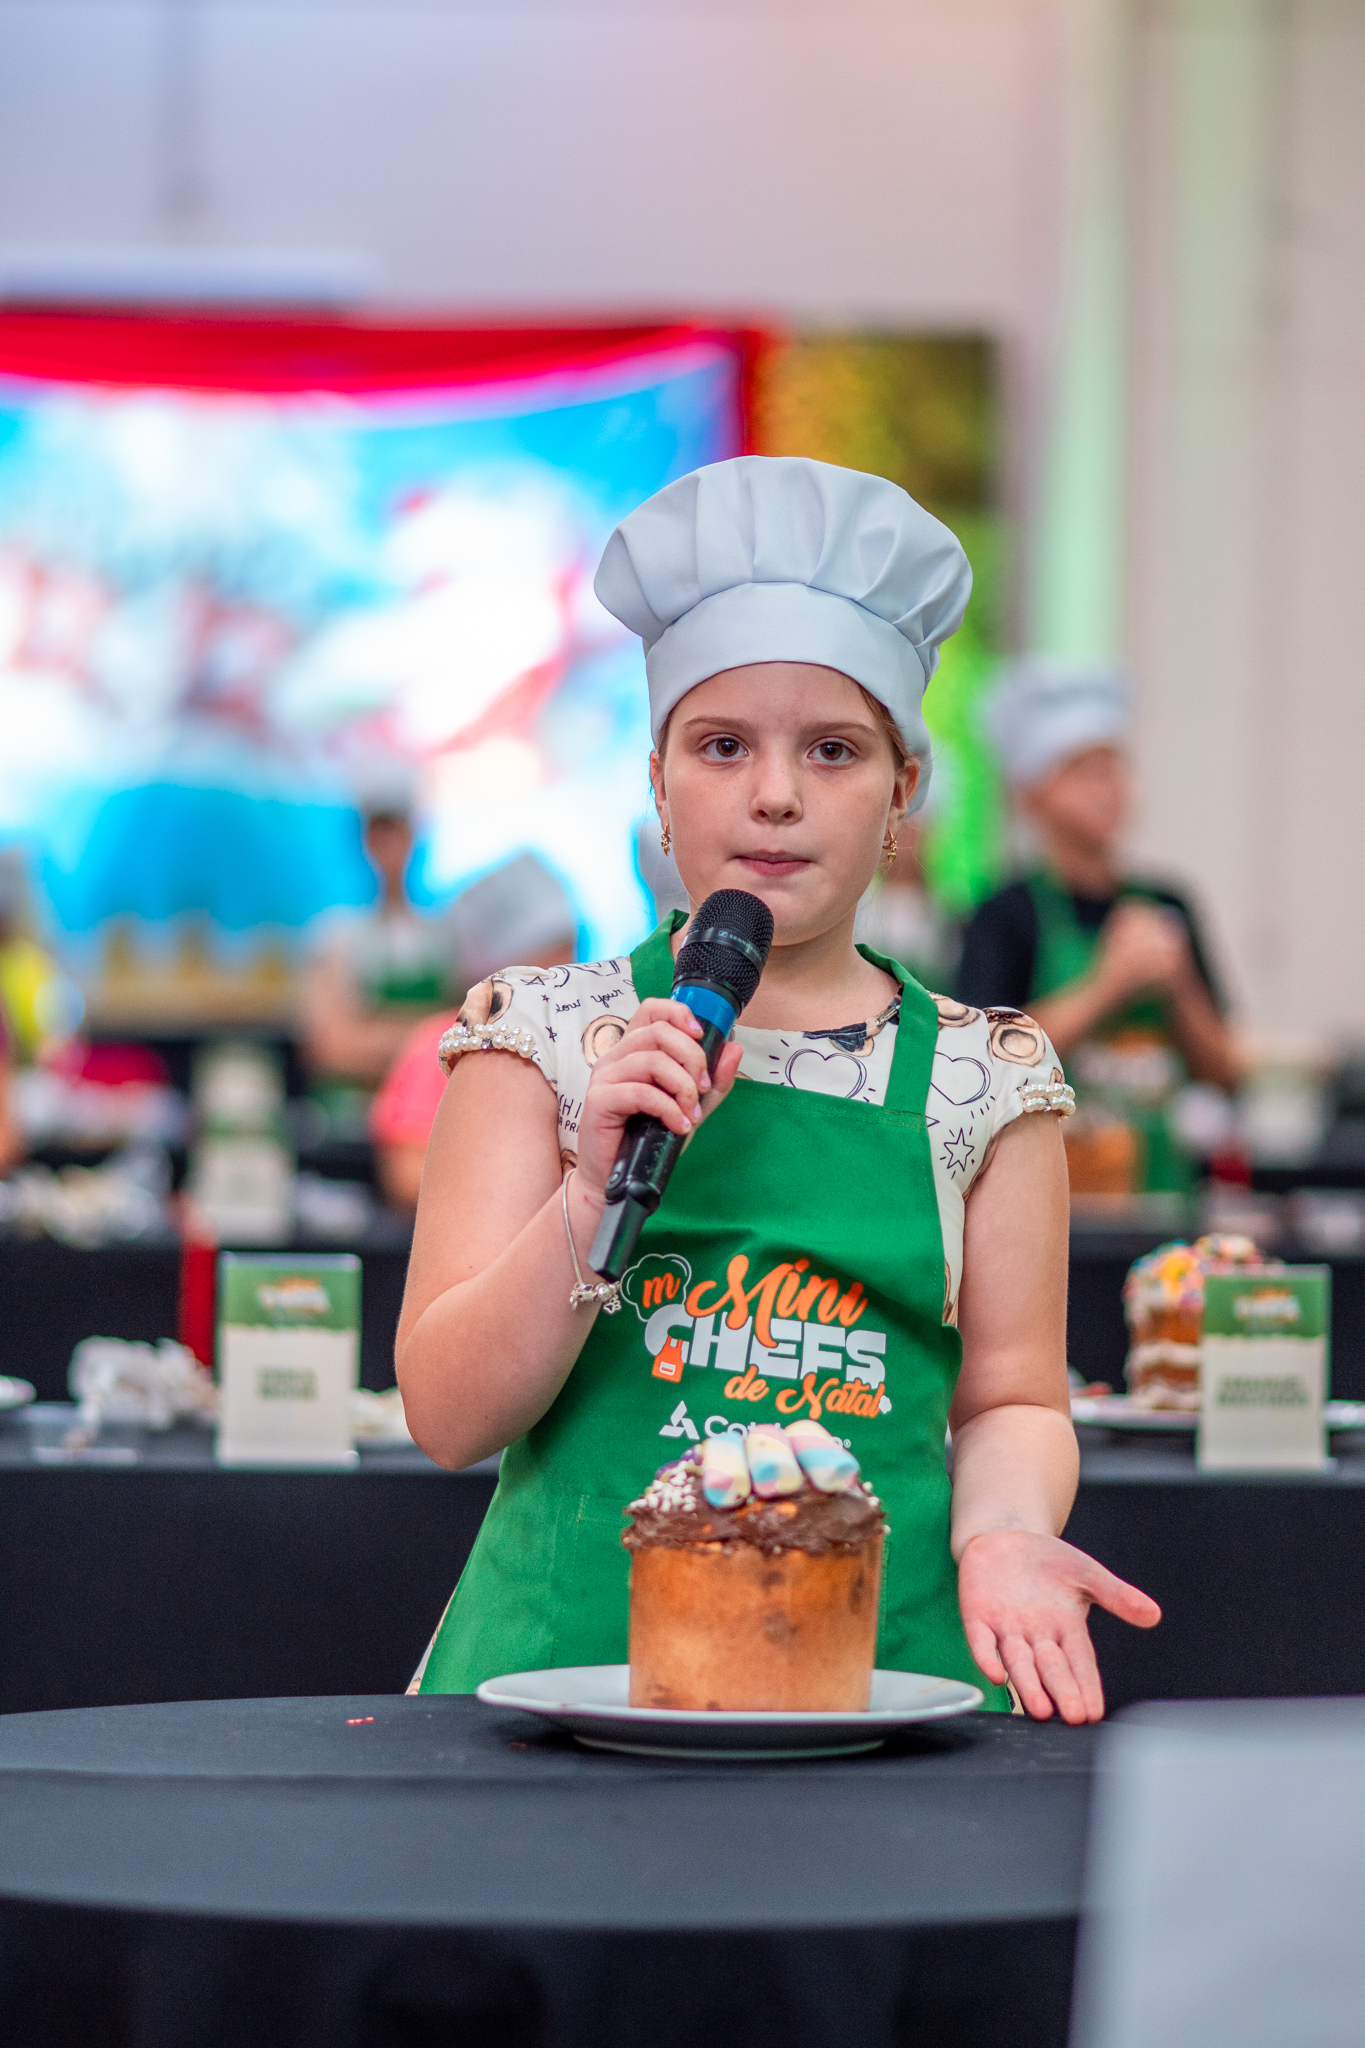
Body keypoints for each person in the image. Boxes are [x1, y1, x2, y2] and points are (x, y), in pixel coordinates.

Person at [397, 456, 1159, 1723]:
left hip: (877, 1683)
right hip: (560, 1685)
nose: (776, 792)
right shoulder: (539, 1034)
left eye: (834, 750)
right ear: (657, 779)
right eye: (722, 745)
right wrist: (587, 1197)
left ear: (902, 790)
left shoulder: (987, 1076)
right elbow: (446, 1412)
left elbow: (1015, 1397)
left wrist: (1008, 1531)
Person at [958, 661, 1239, 1192]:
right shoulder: (1002, 916)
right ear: (1031, 796)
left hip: (1163, 1194)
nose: (1106, 788)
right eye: (1081, 770)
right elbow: (984, 1064)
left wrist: (1177, 980)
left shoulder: (1169, 904)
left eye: (1114, 767)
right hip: (1046, 1200)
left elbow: (1225, 1071)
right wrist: (1111, 984)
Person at [370, 853, 578, 1210]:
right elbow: (406, 1174)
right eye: (549, 959)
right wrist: (513, 1196)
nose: (564, 972)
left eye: (569, 953)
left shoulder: (583, 1038)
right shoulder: (444, 1044)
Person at [302, 794, 460, 1087]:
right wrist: (430, 1038)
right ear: (366, 843)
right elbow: (331, 1047)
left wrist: (373, 1036)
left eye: (397, 833)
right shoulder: (338, 935)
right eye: (380, 834)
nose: (390, 846)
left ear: (413, 839)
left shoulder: (446, 935)